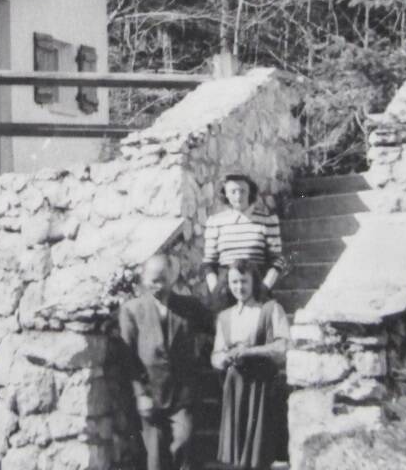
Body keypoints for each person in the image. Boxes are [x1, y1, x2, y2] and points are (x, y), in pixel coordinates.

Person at [118, 254, 211, 470]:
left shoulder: (189, 306)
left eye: (162, 279)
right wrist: (140, 394)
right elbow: (128, 357)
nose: (157, 285)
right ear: (143, 280)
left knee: (184, 443)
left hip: (181, 396)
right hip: (151, 396)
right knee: (156, 458)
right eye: (152, 280)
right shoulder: (131, 310)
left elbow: (216, 326)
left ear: (171, 278)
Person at [211, 260, 290, 469]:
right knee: (239, 455)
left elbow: (283, 347)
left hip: (263, 387)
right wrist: (223, 359)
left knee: (262, 453)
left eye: (244, 281)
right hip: (235, 388)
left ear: (254, 282)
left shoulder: (270, 309)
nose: (239, 287)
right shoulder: (224, 317)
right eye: (234, 282)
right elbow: (216, 354)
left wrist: (249, 351)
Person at [203, 174, 286, 307]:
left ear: (250, 192)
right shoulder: (215, 222)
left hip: (256, 288)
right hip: (226, 290)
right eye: (233, 191)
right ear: (226, 194)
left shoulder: (267, 221)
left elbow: (277, 260)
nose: (238, 196)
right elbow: (209, 263)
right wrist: (216, 291)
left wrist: (265, 286)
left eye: (242, 191)